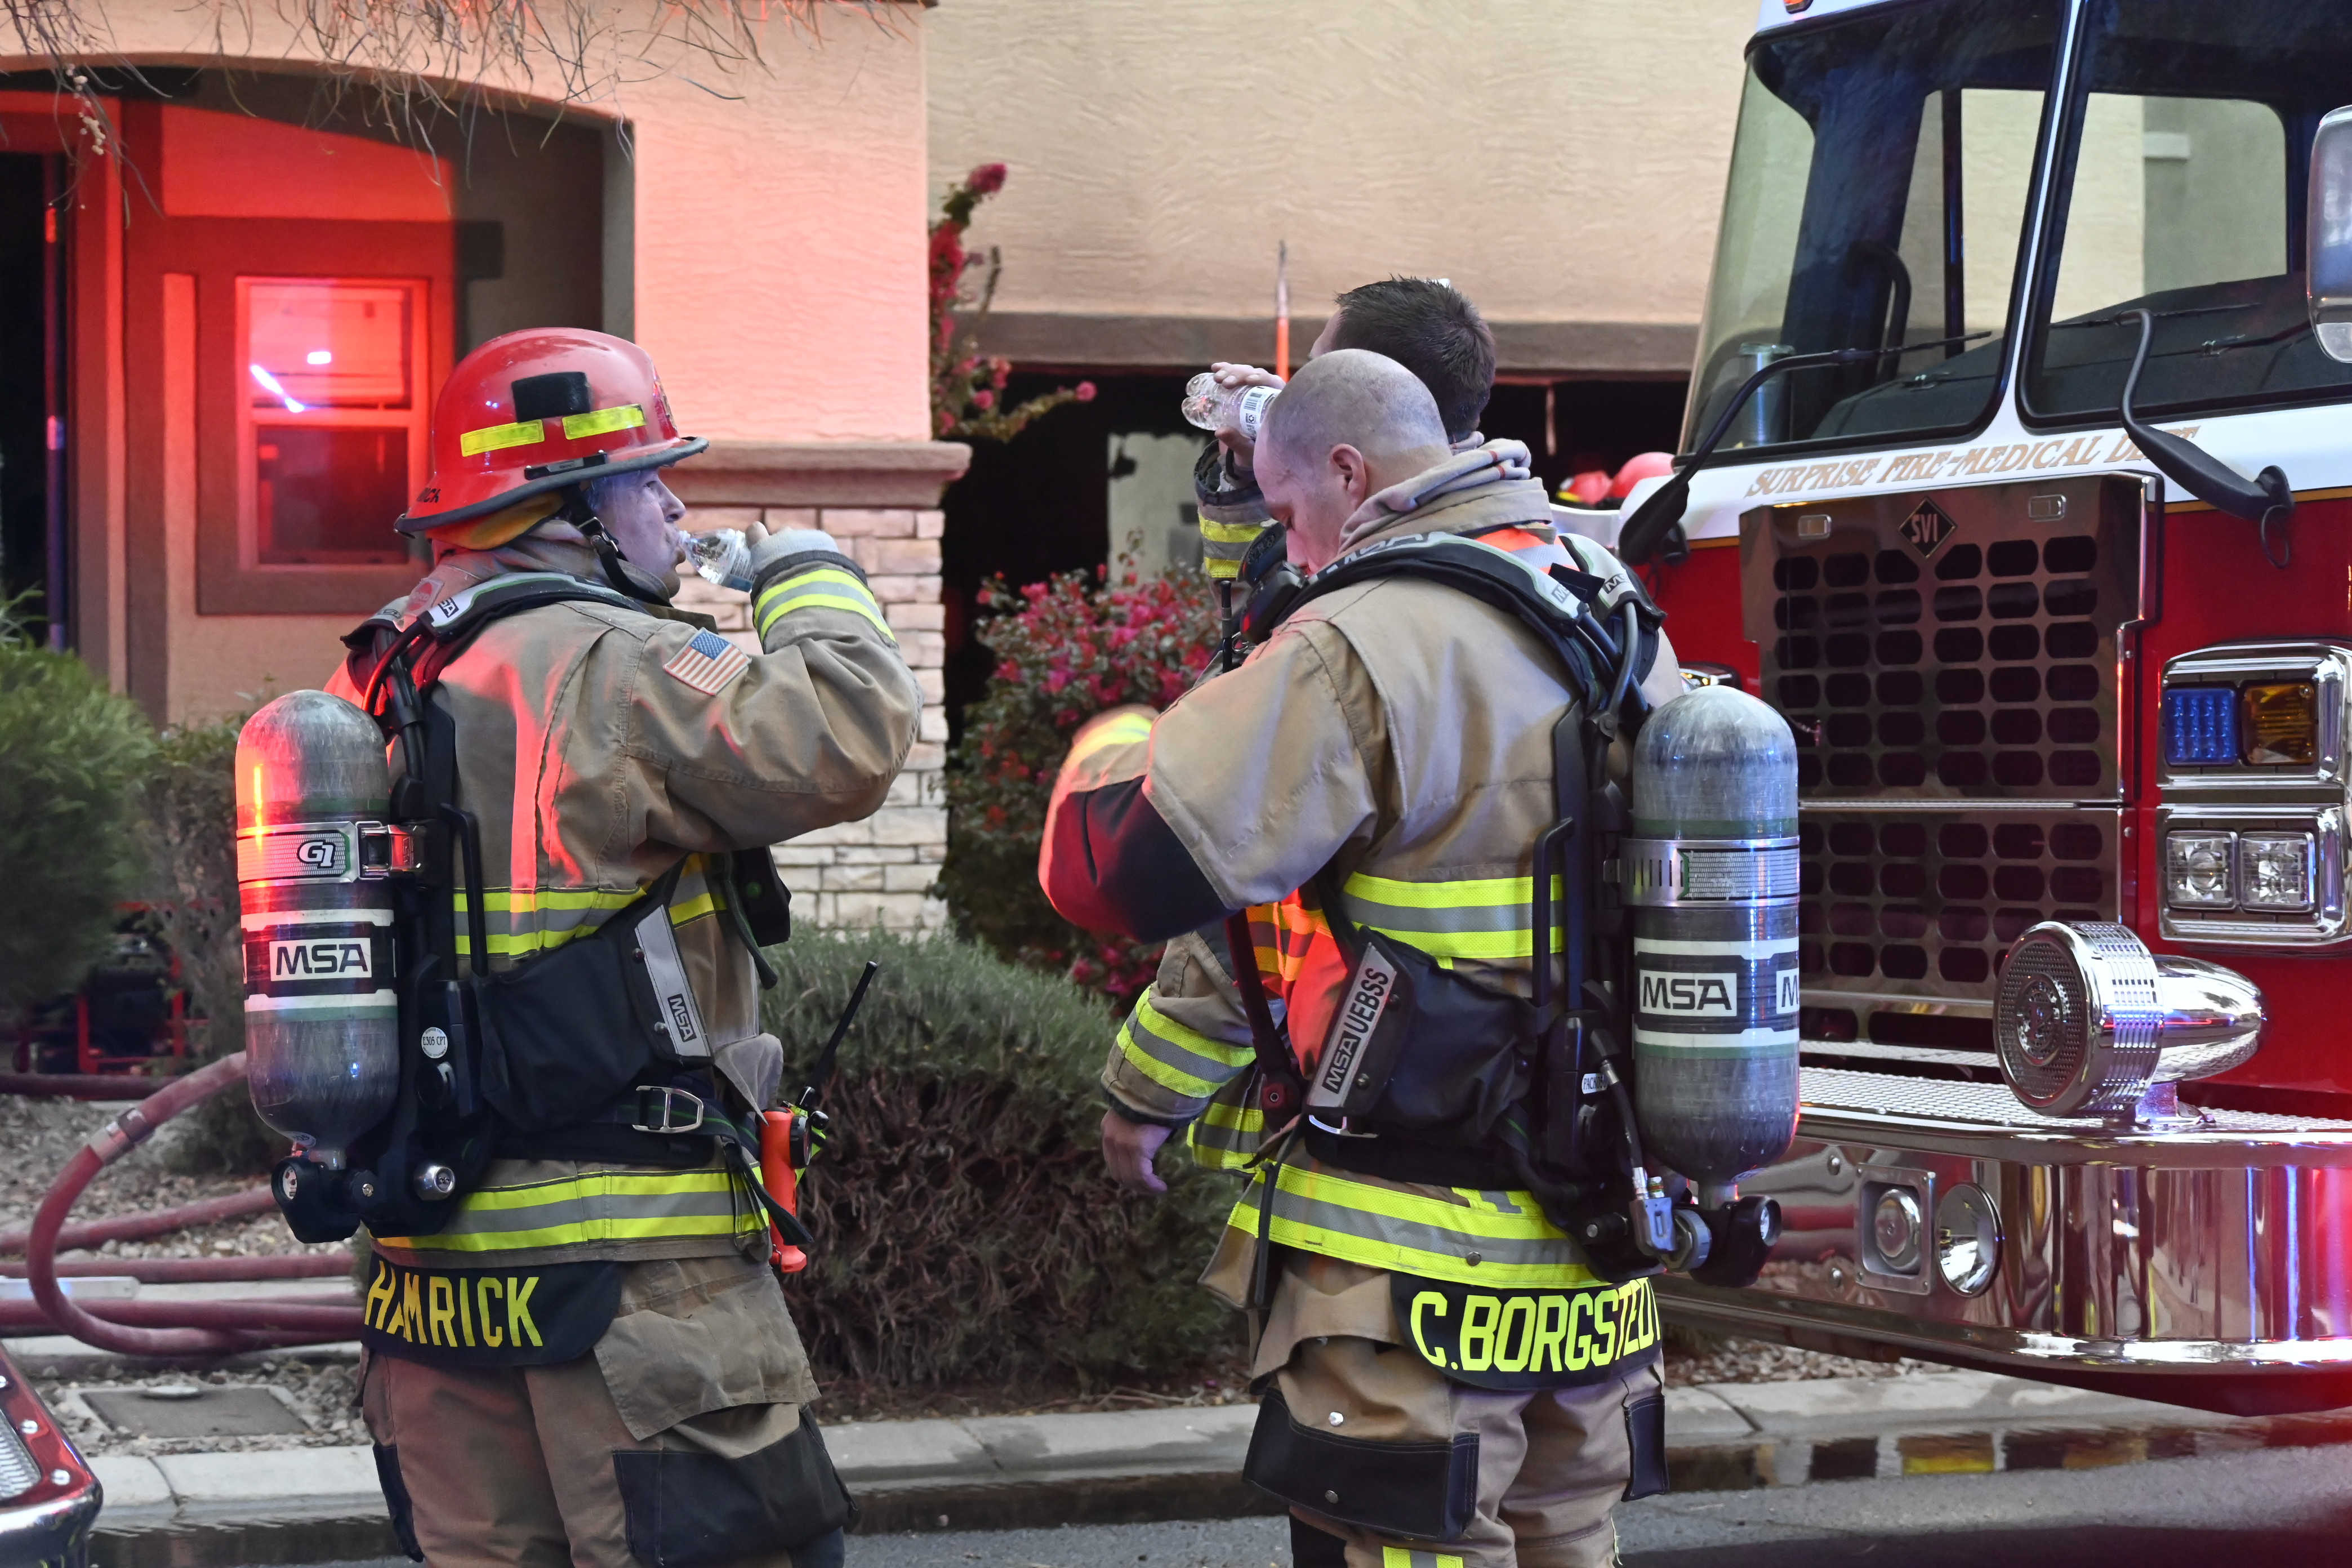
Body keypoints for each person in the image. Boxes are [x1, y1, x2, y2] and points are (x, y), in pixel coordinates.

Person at [1041, 350, 1669, 1568]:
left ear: (1346, 470)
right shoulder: (1601, 593)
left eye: (1288, 512)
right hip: (1594, 1243)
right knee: (1566, 1537)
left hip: (1407, 1261)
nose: (1291, 546)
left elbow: (1145, 868)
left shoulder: (1361, 640)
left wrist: (1118, 736)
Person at [327, 328, 920, 1568]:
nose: (676, 509)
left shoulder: (376, 676)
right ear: (575, 506)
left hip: (429, 1283)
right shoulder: (613, 660)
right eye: (650, 479)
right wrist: (808, 571)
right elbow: (850, 732)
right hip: (632, 1279)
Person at [1194, 277, 1680, 634]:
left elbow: (1250, 648)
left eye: (1320, 367)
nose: (1303, 384)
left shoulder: (1368, 596)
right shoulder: (1579, 562)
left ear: (1373, 386)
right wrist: (1265, 471)